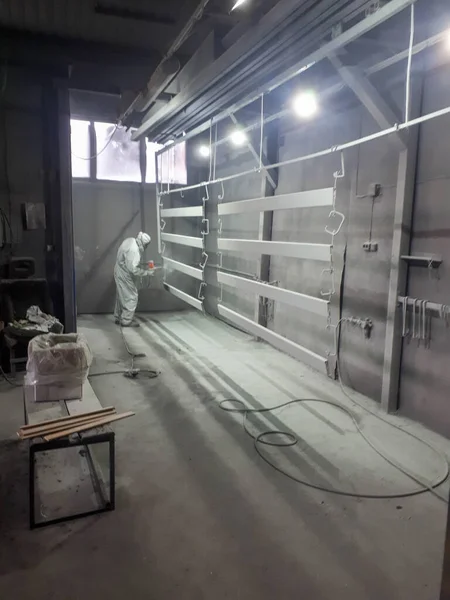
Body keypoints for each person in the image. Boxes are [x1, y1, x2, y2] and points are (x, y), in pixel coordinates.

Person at [114, 232, 153, 327]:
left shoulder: (130, 240)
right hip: (125, 273)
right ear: (144, 243)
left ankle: (118, 317)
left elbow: (128, 260)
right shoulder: (135, 250)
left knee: (121, 294)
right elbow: (133, 269)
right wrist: (146, 273)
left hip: (119, 269)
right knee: (132, 296)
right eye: (146, 245)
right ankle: (126, 320)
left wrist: (142, 264)